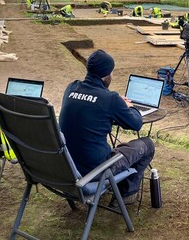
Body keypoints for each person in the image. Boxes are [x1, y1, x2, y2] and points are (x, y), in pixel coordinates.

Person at [59, 49, 155, 206]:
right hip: (95, 171)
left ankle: (119, 187)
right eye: (112, 72)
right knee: (147, 145)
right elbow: (136, 124)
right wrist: (129, 106)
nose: (113, 76)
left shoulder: (71, 88)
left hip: (67, 165)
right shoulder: (110, 99)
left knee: (120, 146)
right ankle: (125, 194)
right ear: (106, 75)